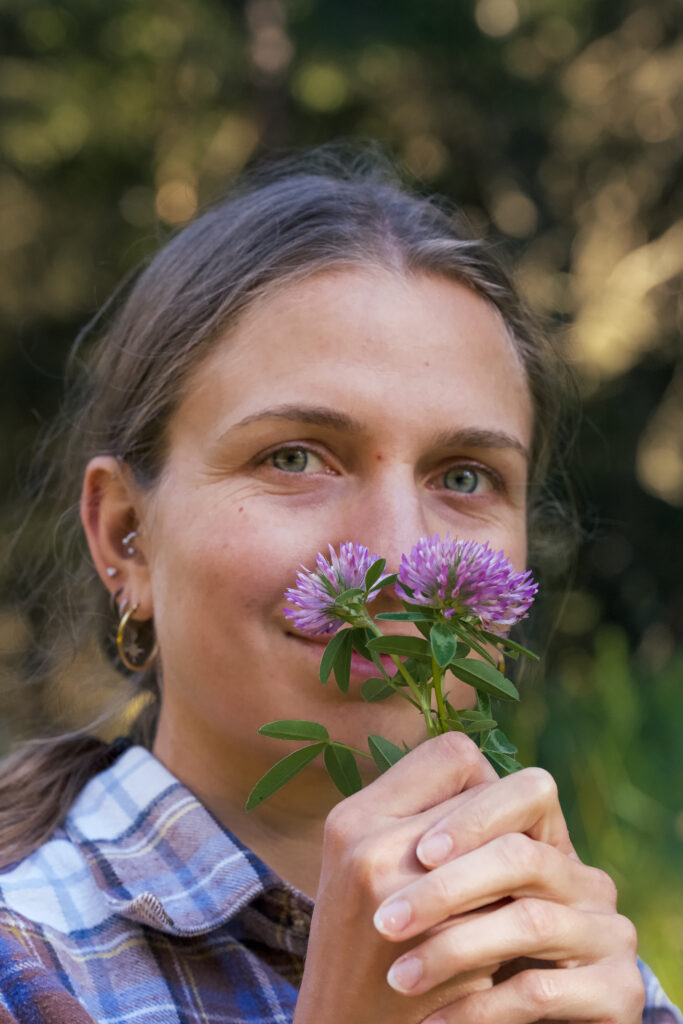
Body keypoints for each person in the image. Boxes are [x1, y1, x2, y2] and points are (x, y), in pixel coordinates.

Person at [0, 146, 679, 1024]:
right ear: (124, 535)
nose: (397, 557)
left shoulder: (572, 956)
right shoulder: (28, 968)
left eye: (464, 476)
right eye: (294, 458)